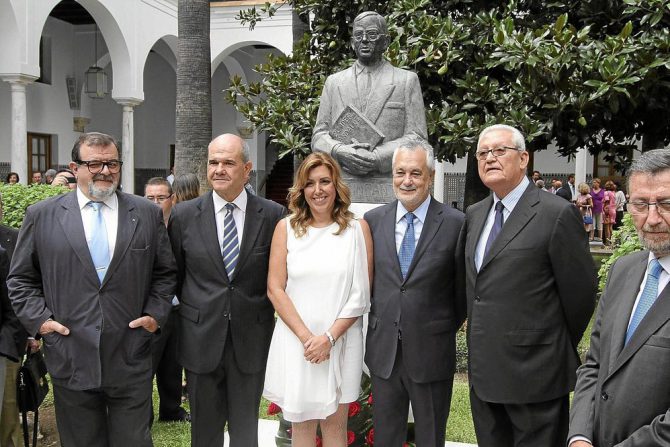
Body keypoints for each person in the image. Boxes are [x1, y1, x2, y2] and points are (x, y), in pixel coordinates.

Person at [7, 132, 177, 447]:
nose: (105, 171)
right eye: (94, 163)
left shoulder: (145, 213)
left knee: (134, 441)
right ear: (75, 167)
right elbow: (20, 279)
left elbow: (164, 272)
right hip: (70, 352)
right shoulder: (42, 216)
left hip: (130, 351)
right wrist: (41, 322)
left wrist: (155, 314)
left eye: (112, 163)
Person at [462, 124, 596, 447]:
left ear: (523, 159)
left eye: (499, 151)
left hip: (537, 379)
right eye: (483, 153)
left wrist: (543, 343)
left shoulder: (556, 214)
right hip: (484, 377)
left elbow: (580, 296)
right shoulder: (475, 215)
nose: (489, 158)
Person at [168, 134, 285, 446]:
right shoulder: (183, 215)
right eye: (213, 162)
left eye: (228, 163)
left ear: (247, 169)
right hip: (200, 338)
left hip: (251, 340)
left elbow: (278, 278)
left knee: (245, 431)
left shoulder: (273, 216)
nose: (219, 169)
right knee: (204, 433)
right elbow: (174, 275)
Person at [264, 152, 372, 446]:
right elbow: (275, 288)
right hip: (299, 343)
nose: (318, 190)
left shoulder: (356, 230)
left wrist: (329, 338)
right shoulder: (286, 229)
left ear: (337, 186)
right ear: (301, 189)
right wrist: (308, 339)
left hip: (340, 341)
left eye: (325, 181)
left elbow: (361, 293)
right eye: (310, 183)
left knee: (335, 426)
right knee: (302, 428)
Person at [364, 138, 465, 446]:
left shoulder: (455, 224)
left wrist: (437, 326)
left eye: (416, 173)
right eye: (400, 172)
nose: (407, 181)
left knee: (431, 438)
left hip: (431, 352)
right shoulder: (373, 221)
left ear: (430, 176)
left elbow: (462, 292)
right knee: (385, 437)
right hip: (385, 354)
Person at [568, 148, 670, 446]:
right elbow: (594, 363)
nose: (652, 218)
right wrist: (579, 436)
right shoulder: (623, 270)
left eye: (665, 203)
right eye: (640, 204)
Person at [312, 11, 426, 202]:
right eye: (358, 35)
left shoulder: (406, 80)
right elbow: (318, 136)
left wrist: (377, 157)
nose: (364, 40)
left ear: (385, 41)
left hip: (388, 189)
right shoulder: (334, 82)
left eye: (372, 34)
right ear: (352, 42)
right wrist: (339, 150)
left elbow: (418, 138)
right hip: (342, 189)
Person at [144, 177, 189, 423]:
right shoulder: (138, 225)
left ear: (172, 199)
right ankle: (144, 414)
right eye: (150, 198)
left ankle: (171, 410)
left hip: (177, 306)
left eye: (161, 197)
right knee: (147, 363)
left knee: (173, 362)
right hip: (150, 308)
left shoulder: (181, 225)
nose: (156, 203)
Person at [603, 180, 617, 246]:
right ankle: (612, 241)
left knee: (606, 227)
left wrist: (605, 210)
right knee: (611, 227)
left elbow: (607, 201)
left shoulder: (606, 192)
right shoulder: (613, 192)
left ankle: (607, 242)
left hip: (607, 210)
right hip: (613, 210)